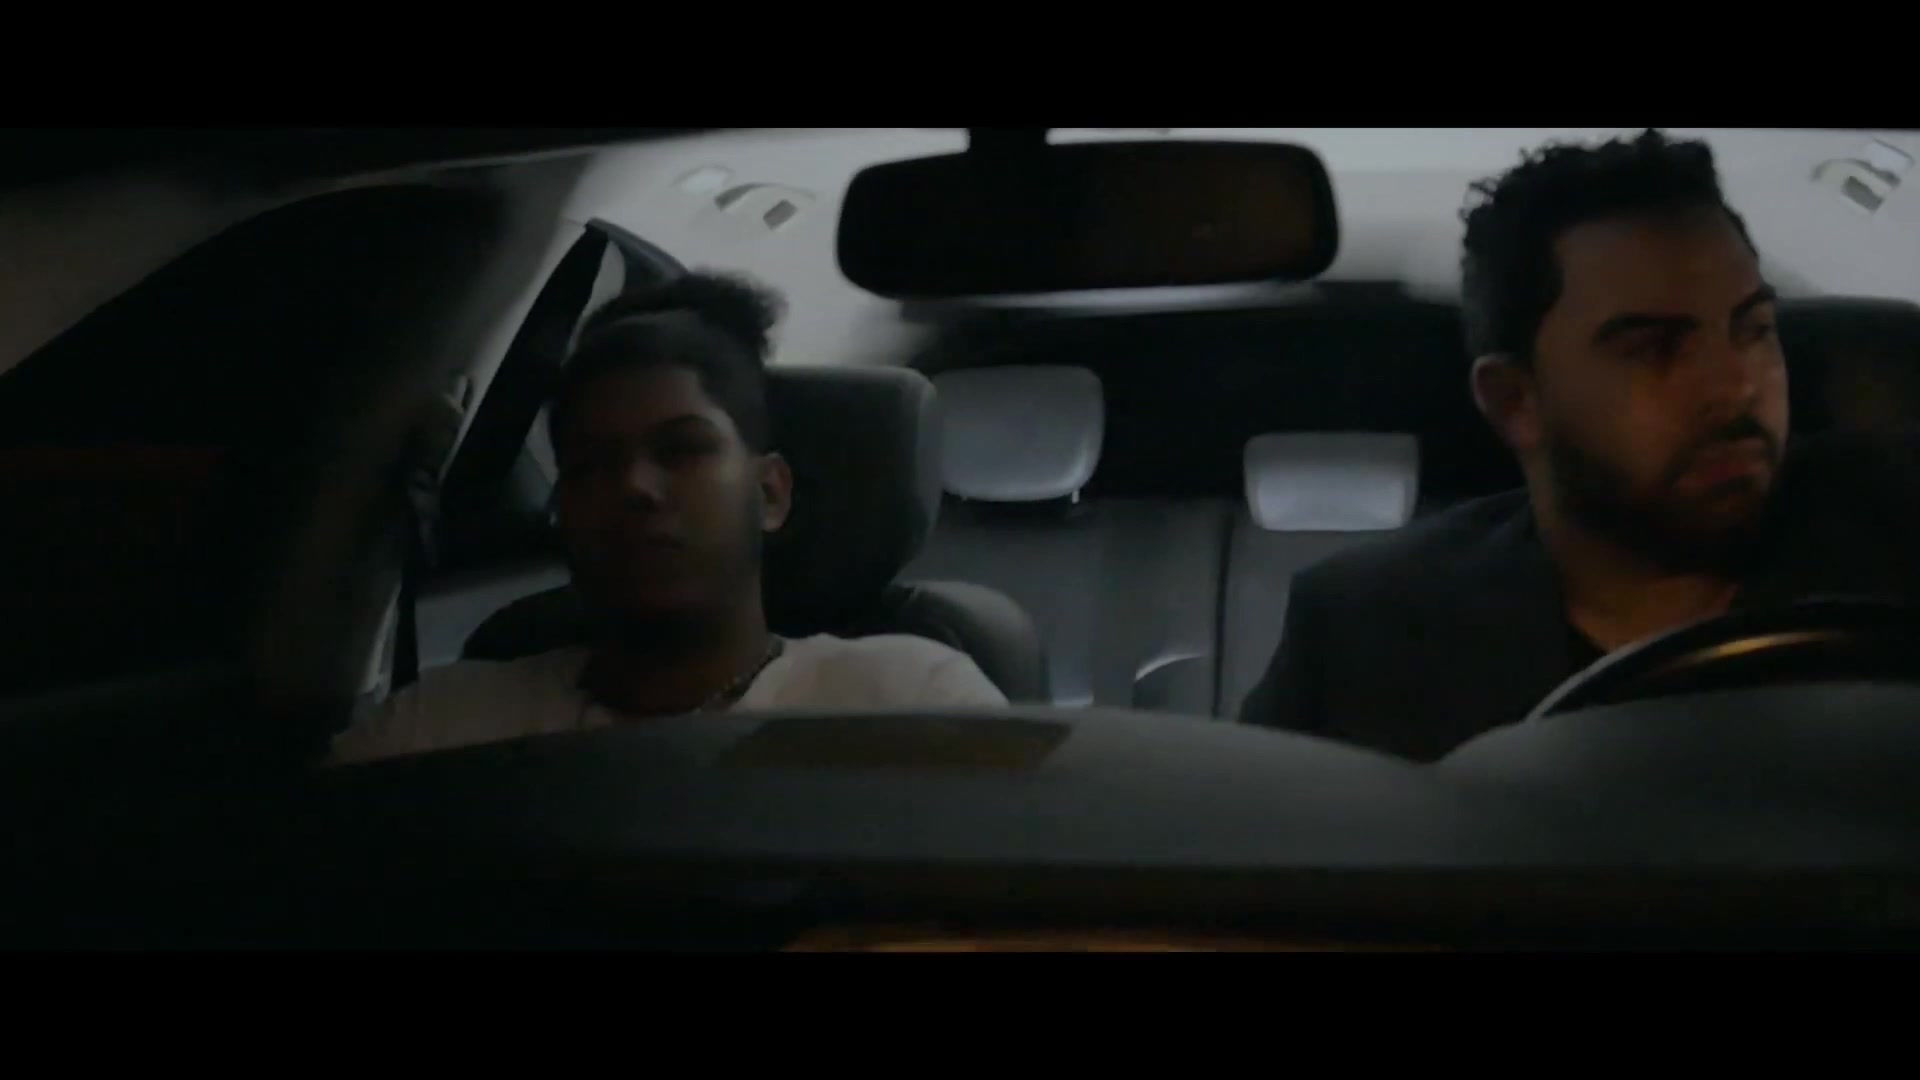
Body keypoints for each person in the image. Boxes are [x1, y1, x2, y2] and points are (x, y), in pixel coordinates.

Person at [1239, 129, 1920, 762]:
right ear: (1516, 401)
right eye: (1654, 349)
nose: (1736, 386)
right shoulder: (1371, 638)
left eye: (1754, 330)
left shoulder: (1897, 532)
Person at [330, 271, 1006, 765]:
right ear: (563, 509)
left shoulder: (911, 701)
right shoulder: (439, 725)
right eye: (592, 464)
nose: (636, 487)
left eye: (682, 450)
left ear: (770, 494)